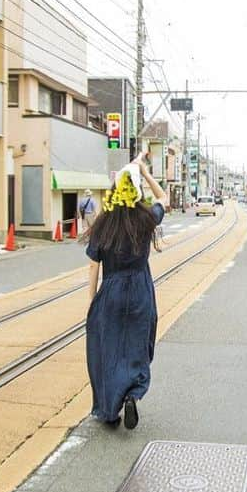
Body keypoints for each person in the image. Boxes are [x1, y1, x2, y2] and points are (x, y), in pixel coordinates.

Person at [81, 153, 169, 429]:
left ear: (113, 192)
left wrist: (93, 300)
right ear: (135, 191)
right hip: (140, 288)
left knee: (108, 347)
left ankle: (110, 409)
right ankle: (133, 392)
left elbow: (94, 266)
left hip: (112, 290)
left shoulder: (103, 224)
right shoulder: (145, 218)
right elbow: (163, 199)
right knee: (138, 343)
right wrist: (143, 171)